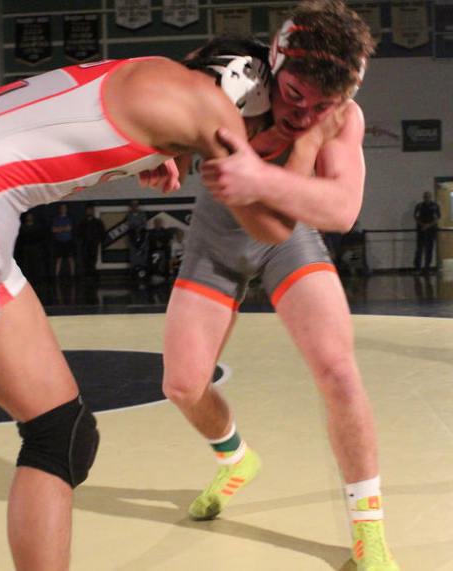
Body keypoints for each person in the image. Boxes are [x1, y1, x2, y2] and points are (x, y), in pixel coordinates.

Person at [0, 34, 283, 570]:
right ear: (246, 88)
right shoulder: (208, 104)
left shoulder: (153, 77)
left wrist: (148, 154)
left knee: (61, 433)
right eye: (260, 127)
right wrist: (319, 144)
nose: (256, 139)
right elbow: (269, 223)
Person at [158, 2, 399, 570]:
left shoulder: (343, 118)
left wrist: (262, 174)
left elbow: (340, 209)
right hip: (217, 239)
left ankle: (369, 529)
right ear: (273, 66)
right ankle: (236, 459)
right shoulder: (230, 77)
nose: (303, 114)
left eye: (322, 104)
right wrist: (159, 152)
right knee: (183, 385)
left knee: (339, 371)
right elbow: (158, 103)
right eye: (293, 95)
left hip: (287, 239)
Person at [413, 190, 440, 275]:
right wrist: (422, 225)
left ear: (430, 197)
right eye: (425, 197)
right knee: (419, 250)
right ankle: (417, 268)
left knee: (429, 250)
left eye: (428, 197)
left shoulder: (435, 206)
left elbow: (437, 218)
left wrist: (428, 225)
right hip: (421, 231)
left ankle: (427, 268)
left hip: (431, 231)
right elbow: (415, 216)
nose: (427, 198)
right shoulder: (419, 206)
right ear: (423, 198)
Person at [77, 205, 106, 277]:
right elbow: (79, 233)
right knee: (85, 259)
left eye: (90, 210)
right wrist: (81, 241)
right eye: (88, 210)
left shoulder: (98, 222)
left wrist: (98, 240)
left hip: (93, 244)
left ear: (93, 211)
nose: (89, 212)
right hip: (85, 244)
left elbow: (102, 232)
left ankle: (92, 274)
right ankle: (87, 274)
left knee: (93, 260)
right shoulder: (83, 223)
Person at [51, 203, 77, 278]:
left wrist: (59, 229)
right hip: (59, 241)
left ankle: (73, 276)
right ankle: (56, 277)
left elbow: (69, 228)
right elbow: (53, 230)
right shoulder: (56, 219)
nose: (63, 209)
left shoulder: (69, 219)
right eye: (62, 208)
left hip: (68, 241)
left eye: (64, 208)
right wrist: (63, 228)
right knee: (59, 259)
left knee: (71, 259)